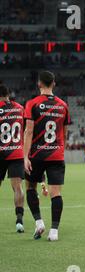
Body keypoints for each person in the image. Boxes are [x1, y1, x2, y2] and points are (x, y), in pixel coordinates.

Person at [24, 71, 71, 241]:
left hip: (36, 153)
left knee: (30, 187)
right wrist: (59, 151)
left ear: (39, 84)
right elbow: (64, 133)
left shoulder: (32, 104)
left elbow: (29, 131)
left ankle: (39, 222)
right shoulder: (63, 105)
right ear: (54, 84)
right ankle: (54, 231)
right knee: (56, 193)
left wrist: (25, 157)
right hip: (56, 155)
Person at [0, 85, 25, 233]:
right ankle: (19, 220)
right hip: (16, 152)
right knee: (17, 187)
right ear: (9, 94)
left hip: (1, 152)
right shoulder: (20, 108)